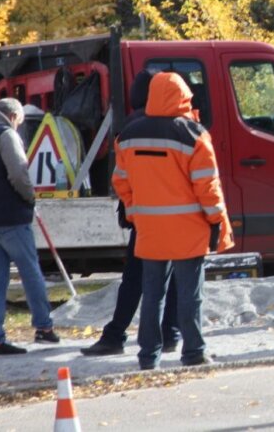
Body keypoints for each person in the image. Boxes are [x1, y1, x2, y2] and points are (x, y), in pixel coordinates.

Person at [111, 72, 234, 370]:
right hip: (188, 231)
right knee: (190, 296)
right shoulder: (193, 134)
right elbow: (207, 186)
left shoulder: (128, 135)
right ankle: (193, 352)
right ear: (183, 96)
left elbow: (121, 182)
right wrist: (217, 220)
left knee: (153, 296)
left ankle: (148, 356)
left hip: (150, 231)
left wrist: (135, 211)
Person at [82, 70, 180, 356]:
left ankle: (115, 335)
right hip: (175, 216)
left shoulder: (130, 128)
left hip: (144, 218)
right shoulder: (177, 126)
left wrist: (132, 210)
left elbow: (121, 178)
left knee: (136, 279)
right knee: (171, 278)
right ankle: (170, 332)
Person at [0, 97, 60, 355]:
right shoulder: (6, 135)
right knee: (31, 272)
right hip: (11, 217)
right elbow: (19, 173)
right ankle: (44, 327)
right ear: (13, 117)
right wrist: (30, 197)